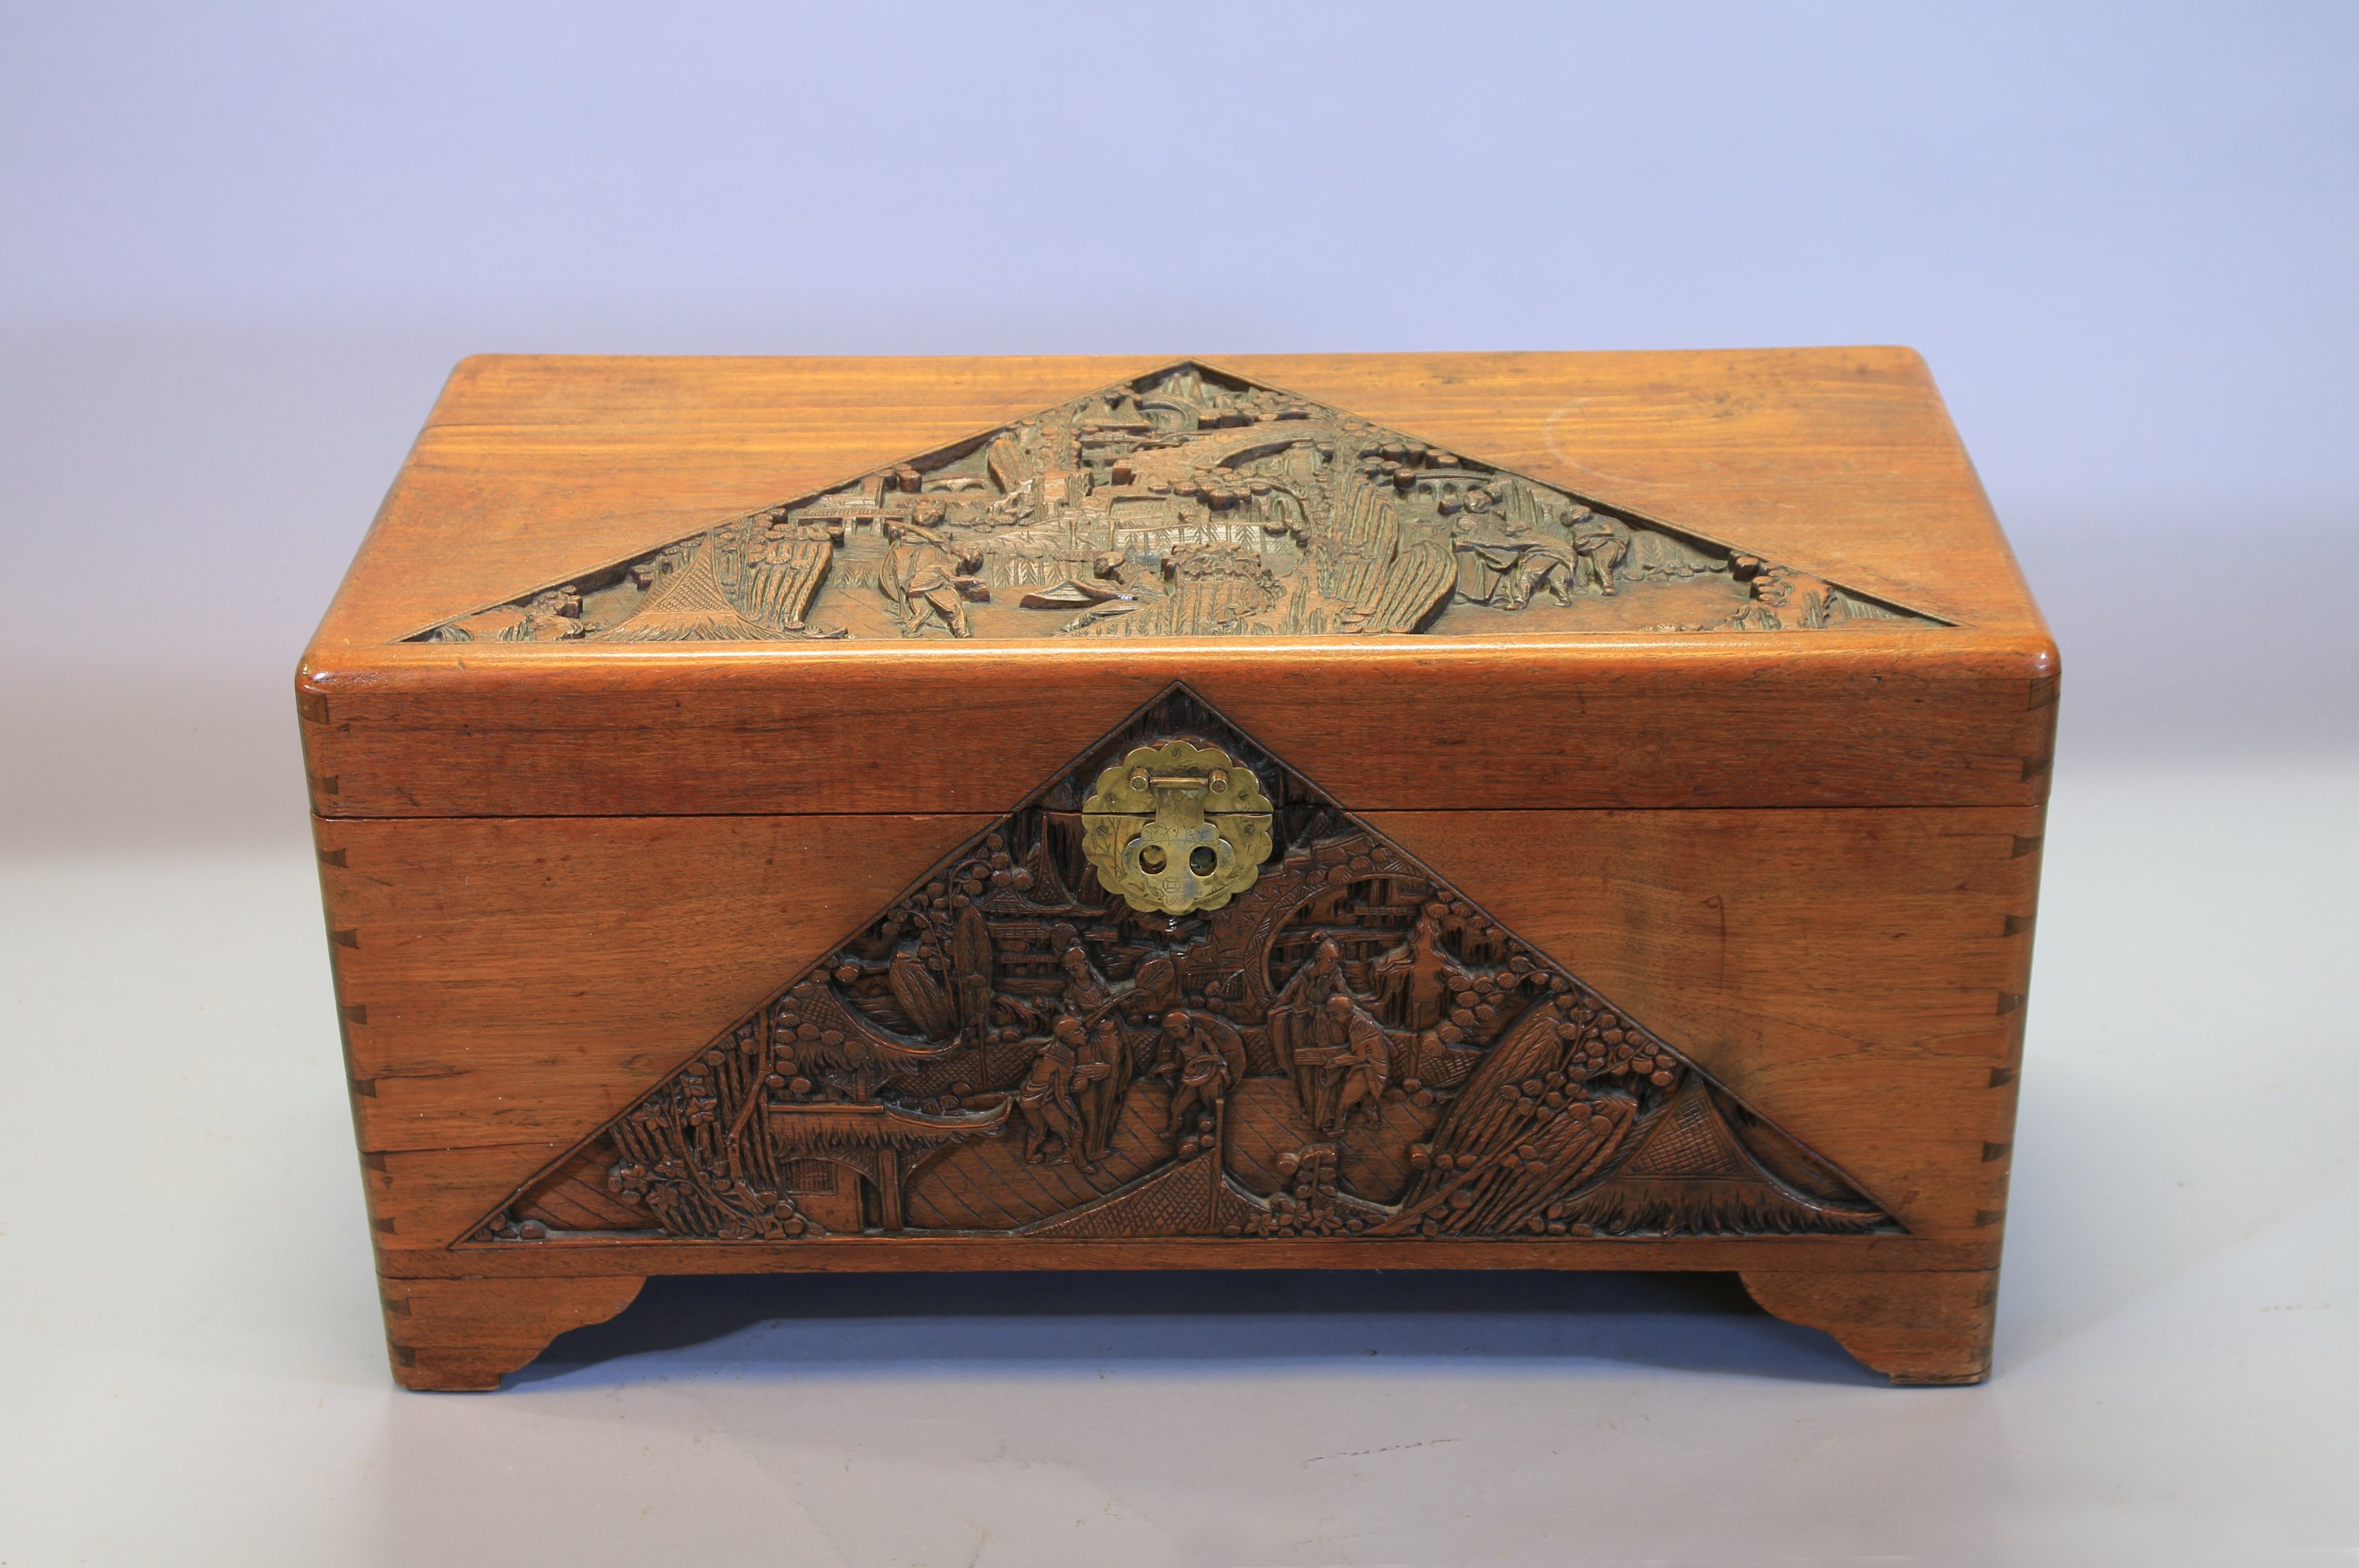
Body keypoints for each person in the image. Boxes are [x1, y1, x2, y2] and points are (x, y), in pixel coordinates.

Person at [879, 502, 984, 637]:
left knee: (935, 606)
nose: (927, 516)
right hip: (928, 577)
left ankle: (913, 626)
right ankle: (962, 634)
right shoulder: (907, 533)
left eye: (931, 514)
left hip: (930, 578)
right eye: (924, 512)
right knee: (950, 606)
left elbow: (946, 557)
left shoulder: (942, 543)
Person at [1312, 993, 1392, 1133]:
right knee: (1368, 1102)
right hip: (1374, 1066)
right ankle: (1374, 1124)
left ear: (1347, 1011)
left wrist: (1334, 1062)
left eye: (1335, 1014)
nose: (1332, 1019)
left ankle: (1338, 1128)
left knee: (1345, 1101)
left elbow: (1359, 1057)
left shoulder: (1362, 1026)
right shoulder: (1357, 1019)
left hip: (1370, 1068)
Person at [1153, 1009, 1233, 1137]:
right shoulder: (1179, 1044)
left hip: (1210, 1074)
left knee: (1212, 1107)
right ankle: (1173, 1130)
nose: (1171, 1034)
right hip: (1191, 1077)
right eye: (1168, 1031)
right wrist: (1158, 1070)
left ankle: (1212, 1134)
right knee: (1177, 1107)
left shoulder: (1200, 1034)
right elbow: (1177, 1064)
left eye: (1174, 1030)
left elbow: (1215, 1056)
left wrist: (1197, 1061)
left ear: (1186, 1026)